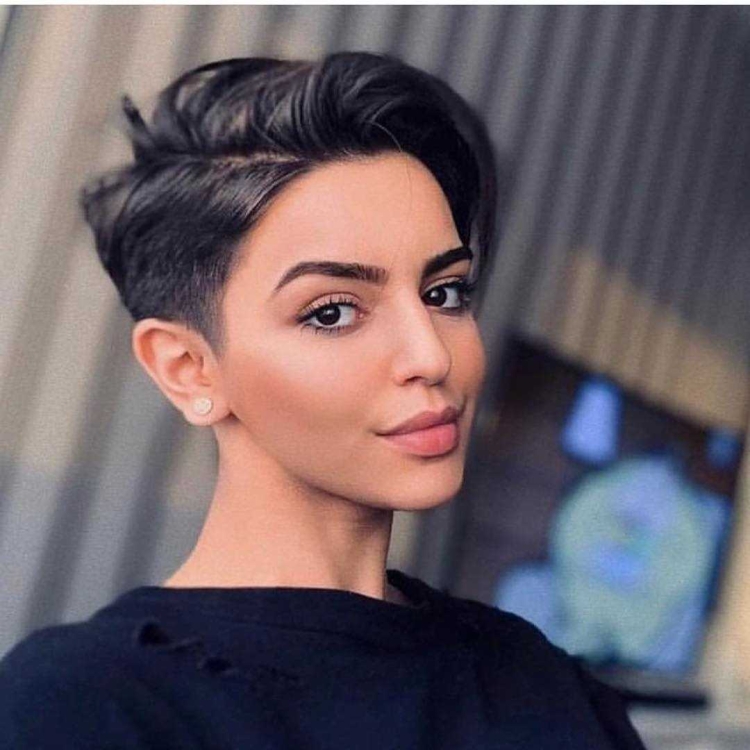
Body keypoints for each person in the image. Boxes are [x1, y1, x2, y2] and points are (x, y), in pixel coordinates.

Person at [0, 52, 646, 748]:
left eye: (445, 293)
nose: (431, 356)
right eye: (333, 312)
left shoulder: (546, 684)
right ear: (189, 370)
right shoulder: (77, 705)